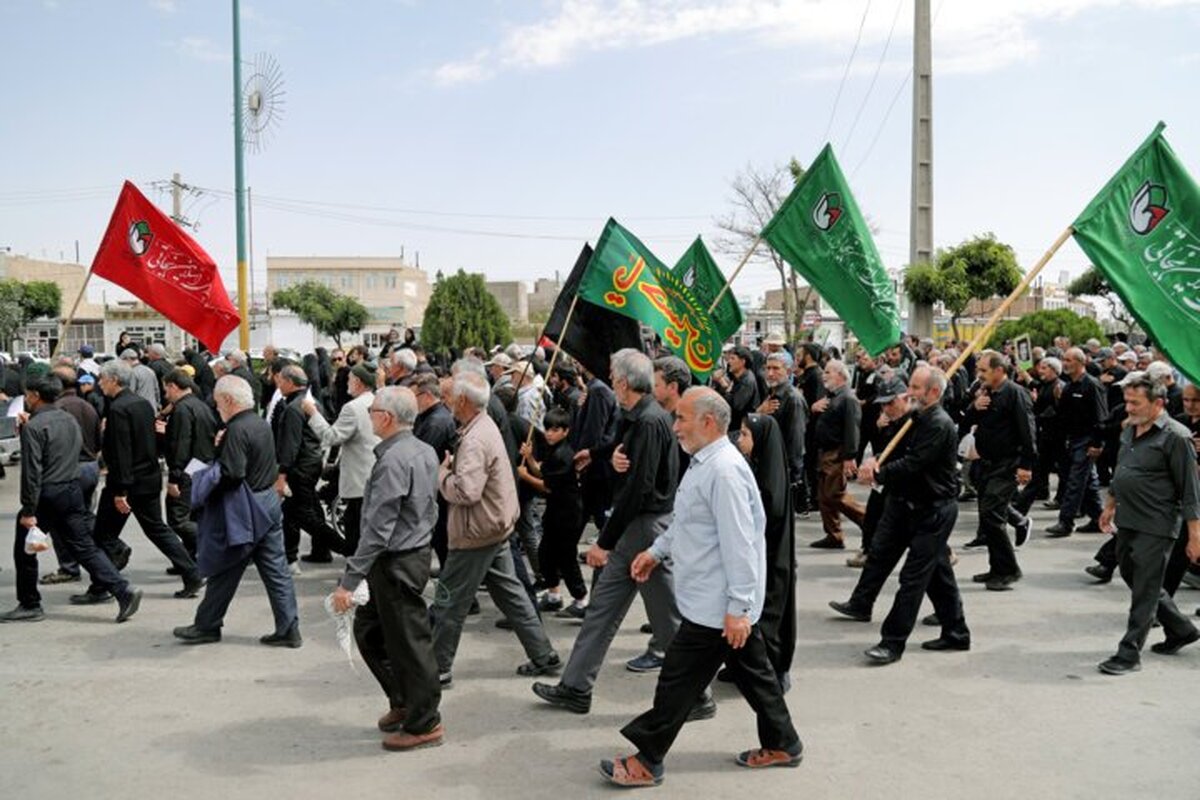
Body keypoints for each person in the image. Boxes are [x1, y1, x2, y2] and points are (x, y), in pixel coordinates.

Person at [599, 388, 801, 788]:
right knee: (756, 677)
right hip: (715, 602)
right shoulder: (703, 462)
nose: (675, 427)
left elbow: (741, 545)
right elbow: (688, 521)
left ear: (708, 422)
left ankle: (648, 758)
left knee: (677, 681)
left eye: (681, 419)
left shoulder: (723, 470)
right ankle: (784, 742)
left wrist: (739, 609)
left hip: (717, 606)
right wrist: (655, 552)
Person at [533, 350, 695, 712]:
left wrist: (604, 543)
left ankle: (696, 692)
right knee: (612, 610)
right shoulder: (637, 416)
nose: (609, 382)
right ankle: (575, 687)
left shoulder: (650, 421)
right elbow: (623, 449)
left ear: (622, 383)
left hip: (644, 527)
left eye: (611, 376)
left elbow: (639, 488)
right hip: (640, 526)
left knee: (664, 617)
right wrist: (602, 453)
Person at [333, 386, 444, 751]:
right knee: (373, 632)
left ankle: (425, 721)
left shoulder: (397, 458)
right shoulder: (419, 450)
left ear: (387, 418)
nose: (369, 416)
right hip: (404, 555)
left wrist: (349, 580)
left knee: (409, 643)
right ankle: (404, 701)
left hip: (398, 560)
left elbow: (379, 527)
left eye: (373, 410)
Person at [432, 370, 560, 685]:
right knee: (513, 595)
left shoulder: (475, 436)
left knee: (448, 603)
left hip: (477, 532)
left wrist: (442, 475)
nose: (446, 401)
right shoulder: (482, 425)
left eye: (449, 396)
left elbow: (466, 491)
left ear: (462, 400)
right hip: (494, 526)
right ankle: (543, 655)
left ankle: (437, 668)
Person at [846, 367, 971, 664]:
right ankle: (956, 632)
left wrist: (878, 475)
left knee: (913, 578)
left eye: (915, 387)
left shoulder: (939, 424)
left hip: (934, 511)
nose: (909, 392)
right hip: (908, 506)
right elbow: (894, 449)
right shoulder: (914, 418)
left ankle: (892, 643)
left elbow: (914, 463)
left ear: (934, 393)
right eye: (910, 386)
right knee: (938, 575)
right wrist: (876, 459)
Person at [2, 376, 143, 624]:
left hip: (48, 492)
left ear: (34, 395)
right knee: (84, 546)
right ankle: (122, 589)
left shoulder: (36, 427)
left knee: (25, 549)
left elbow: (32, 472)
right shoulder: (68, 419)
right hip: (71, 488)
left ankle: (29, 603)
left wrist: (28, 509)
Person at [174, 375, 301, 646]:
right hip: (267, 502)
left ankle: (207, 626)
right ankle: (289, 627)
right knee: (276, 570)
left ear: (229, 400)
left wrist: (204, 477)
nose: (217, 407)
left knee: (225, 567)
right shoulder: (259, 423)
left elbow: (232, 473)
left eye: (218, 402)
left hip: (246, 508)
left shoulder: (236, 429)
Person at [1092, 373, 1200, 675]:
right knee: (1130, 573)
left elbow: (1191, 490)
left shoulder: (1176, 437)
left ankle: (1128, 654)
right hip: (1127, 519)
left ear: (1158, 403)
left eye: (1135, 403)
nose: (1128, 408)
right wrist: (1110, 504)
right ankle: (1181, 629)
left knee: (1146, 589)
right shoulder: (1129, 429)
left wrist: (1194, 535)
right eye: (1127, 401)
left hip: (1158, 524)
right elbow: (1123, 469)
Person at [85, 360, 204, 601]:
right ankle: (191, 572)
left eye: (103, 379)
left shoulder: (119, 409)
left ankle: (102, 584)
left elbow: (122, 452)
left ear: (115, 380)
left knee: (103, 536)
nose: (100, 384)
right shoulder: (141, 404)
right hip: (147, 478)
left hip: (127, 483)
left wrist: (120, 490)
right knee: (156, 529)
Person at [962, 351, 1035, 591]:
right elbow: (964, 421)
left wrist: (1026, 465)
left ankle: (1009, 570)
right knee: (988, 516)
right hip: (986, 463)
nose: (979, 375)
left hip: (1008, 464)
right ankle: (996, 568)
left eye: (984, 371)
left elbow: (1028, 431)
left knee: (993, 514)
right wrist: (975, 406)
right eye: (978, 370)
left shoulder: (1015, 394)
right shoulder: (985, 393)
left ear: (999, 370)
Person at [735, 413, 796, 689]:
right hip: (756, 553)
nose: (739, 439)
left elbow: (769, 509)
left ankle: (772, 670)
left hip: (772, 555)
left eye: (746, 435)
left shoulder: (772, 477)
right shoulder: (754, 465)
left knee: (770, 611)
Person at [302, 363, 379, 559]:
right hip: (375, 477)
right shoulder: (379, 401)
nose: (346, 383)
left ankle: (357, 581)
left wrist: (313, 413)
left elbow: (331, 436)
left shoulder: (352, 408)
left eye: (349, 379)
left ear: (358, 382)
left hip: (359, 481)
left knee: (355, 535)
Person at [518, 406, 586, 616]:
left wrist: (524, 474)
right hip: (555, 512)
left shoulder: (564, 454)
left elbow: (546, 485)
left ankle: (582, 600)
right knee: (546, 553)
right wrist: (529, 459)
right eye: (547, 428)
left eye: (555, 429)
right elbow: (542, 471)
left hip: (567, 514)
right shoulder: (553, 450)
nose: (549, 433)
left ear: (565, 431)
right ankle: (554, 594)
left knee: (566, 558)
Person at [273, 364, 342, 567]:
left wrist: (282, 474)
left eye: (281, 380)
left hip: (300, 468)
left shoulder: (294, 408)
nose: (278, 383)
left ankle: (346, 549)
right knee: (305, 510)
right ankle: (318, 551)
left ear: (289, 382)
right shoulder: (311, 403)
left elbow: (290, 445)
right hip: (311, 464)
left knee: (304, 515)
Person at [1046, 348, 1107, 537]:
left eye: (1069, 359)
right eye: (1063, 359)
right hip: (1072, 440)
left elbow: (1100, 418)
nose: (1064, 363)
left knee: (1075, 481)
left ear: (1081, 362)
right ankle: (1099, 518)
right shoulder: (1069, 387)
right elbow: (1063, 415)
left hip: (1087, 439)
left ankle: (1066, 521)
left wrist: (1096, 444)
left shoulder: (1092, 385)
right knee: (1087, 482)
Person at [162, 369, 219, 560]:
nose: (165, 394)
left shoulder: (182, 410)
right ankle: (191, 557)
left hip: (188, 468)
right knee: (193, 515)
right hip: (202, 465)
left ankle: (210, 545)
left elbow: (181, 444)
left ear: (173, 386)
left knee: (178, 518)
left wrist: (174, 478)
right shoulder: (200, 405)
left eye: (166, 389)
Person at [810, 359, 865, 549]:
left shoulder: (848, 399)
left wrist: (850, 456)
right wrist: (814, 409)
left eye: (828, 372)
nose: (823, 375)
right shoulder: (831, 396)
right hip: (825, 452)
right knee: (824, 497)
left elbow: (852, 429)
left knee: (835, 494)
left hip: (837, 453)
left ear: (841, 375)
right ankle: (833, 535)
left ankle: (868, 521)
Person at [413, 372, 457, 569]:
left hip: (437, 490)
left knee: (441, 541)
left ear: (426, 396)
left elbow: (420, 455)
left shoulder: (436, 422)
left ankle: (459, 595)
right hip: (434, 487)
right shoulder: (428, 417)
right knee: (439, 542)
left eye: (415, 396)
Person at [757, 351, 807, 511]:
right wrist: (759, 413)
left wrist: (794, 475)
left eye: (776, 369)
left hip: (782, 468)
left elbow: (796, 439)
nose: (770, 373)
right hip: (767, 463)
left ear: (788, 371)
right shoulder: (771, 394)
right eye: (768, 368)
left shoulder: (792, 399)